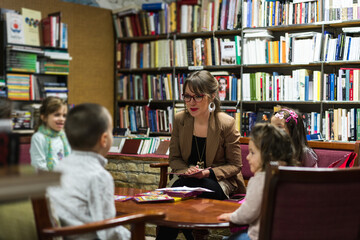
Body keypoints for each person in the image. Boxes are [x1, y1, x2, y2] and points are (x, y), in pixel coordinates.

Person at [156, 70, 246, 240]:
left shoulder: (226, 123)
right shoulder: (180, 119)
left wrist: (206, 173)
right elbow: (174, 158)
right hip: (185, 178)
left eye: (198, 96)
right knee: (179, 193)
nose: (191, 102)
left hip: (218, 181)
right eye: (187, 96)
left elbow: (235, 165)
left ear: (212, 96)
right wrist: (188, 170)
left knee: (188, 191)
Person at [47, 103, 130, 240]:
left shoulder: (58, 167)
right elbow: (107, 231)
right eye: (111, 131)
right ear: (104, 139)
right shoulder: (99, 176)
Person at [217, 123, 296, 240]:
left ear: (269, 156)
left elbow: (248, 213)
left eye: (252, 152)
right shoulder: (291, 177)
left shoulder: (260, 179)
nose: (248, 157)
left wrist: (232, 216)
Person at [30, 96, 71, 171]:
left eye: (64, 115)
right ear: (44, 117)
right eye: (57, 115)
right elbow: (39, 167)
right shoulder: (38, 138)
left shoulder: (64, 135)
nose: (62, 119)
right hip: (47, 180)